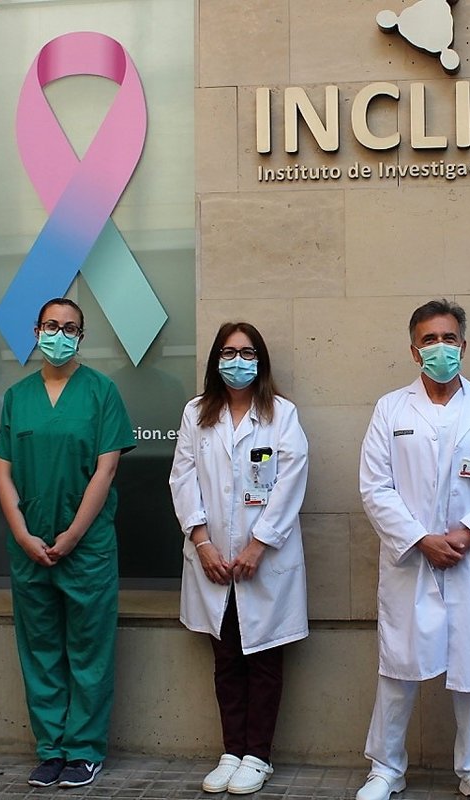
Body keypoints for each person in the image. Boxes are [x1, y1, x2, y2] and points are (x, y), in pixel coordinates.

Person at [356, 299, 470, 800]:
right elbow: (375, 487)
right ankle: (386, 768)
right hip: (412, 561)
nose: (440, 348)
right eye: (429, 340)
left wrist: (464, 535)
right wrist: (421, 539)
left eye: (449, 339)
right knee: (398, 668)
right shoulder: (390, 409)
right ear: (413, 350)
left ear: (464, 346)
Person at [0, 298, 136, 789]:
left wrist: (73, 535)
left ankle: (84, 749)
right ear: (36, 331)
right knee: (40, 651)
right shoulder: (17, 396)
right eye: (51, 326)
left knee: (89, 650)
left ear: (82, 336)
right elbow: (4, 473)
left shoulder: (101, 391)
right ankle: (50, 749)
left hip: (87, 547)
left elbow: (107, 469)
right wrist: (22, 534)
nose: (60, 334)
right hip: (30, 546)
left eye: (70, 328)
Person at [169, 322, 310, 795]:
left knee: (264, 658)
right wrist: (202, 542)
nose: (237, 361)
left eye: (247, 353)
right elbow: (182, 478)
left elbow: (291, 481)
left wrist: (258, 545)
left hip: (265, 560)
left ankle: (258, 756)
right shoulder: (196, 413)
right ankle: (231, 751)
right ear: (215, 360)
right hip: (211, 558)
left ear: (260, 361)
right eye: (228, 353)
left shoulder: (281, 414)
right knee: (226, 657)